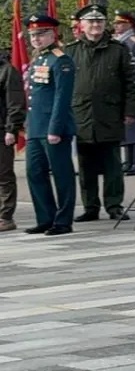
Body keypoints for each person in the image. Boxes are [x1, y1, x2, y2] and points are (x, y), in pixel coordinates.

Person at [65, 4, 135, 222]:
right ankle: (90, 207)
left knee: (112, 164)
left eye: (99, 21)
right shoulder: (71, 51)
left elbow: (131, 83)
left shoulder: (118, 50)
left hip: (110, 113)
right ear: (81, 25)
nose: (95, 25)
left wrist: (130, 111)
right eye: (91, 21)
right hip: (81, 114)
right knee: (85, 165)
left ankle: (114, 205)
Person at [23, 14, 77, 235]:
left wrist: (55, 128)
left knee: (62, 174)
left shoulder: (60, 60)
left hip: (54, 128)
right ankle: (45, 217)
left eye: (41, 34)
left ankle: (63, 221)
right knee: (34, 172)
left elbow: (61, 98)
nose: (36, 39)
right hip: (36, 127)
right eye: (33, 35)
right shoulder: (39, 59)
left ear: (52, 34)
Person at [112, 10, 135, 175]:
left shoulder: (134, 43)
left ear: (129, 25)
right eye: (115, 23)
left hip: (134, 91)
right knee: (126, 129)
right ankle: (128, 160)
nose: (116, 26)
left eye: (120, 23)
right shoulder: (118, 42)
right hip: (122, 91)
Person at [0, 52, 26, 232]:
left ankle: (5, 217)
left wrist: (11, 129)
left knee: (3, 175)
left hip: (2, 130)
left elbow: (15, 102)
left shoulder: (7, 71)